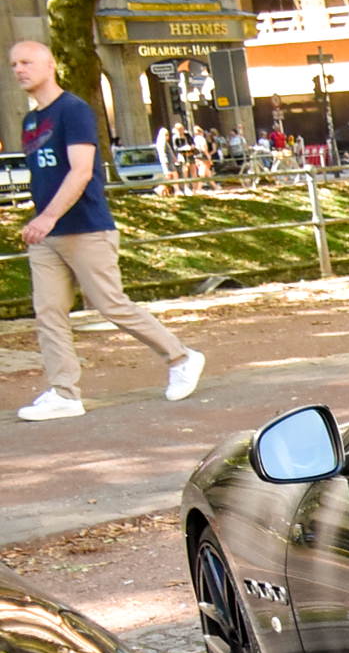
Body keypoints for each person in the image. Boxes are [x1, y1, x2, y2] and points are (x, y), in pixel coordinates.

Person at [10, 42, 204, 421]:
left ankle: (181, 357)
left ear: (50, 64)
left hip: (84, 227)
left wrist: (47, 217)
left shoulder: (74, 110)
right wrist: (40, 219)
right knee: (48, 312)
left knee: (110, 303)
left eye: (27, 62)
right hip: (46, 234)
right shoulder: (30, 121)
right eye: (13, 63)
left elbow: (81, 171)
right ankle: (64, 392)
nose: (19, 69)